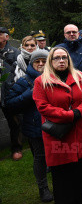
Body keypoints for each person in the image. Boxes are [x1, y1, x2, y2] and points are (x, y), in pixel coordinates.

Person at [32, 47, 82, 203]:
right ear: (51, 61)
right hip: (59, 135)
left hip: (80, 131)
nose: (61, 60)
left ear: (68, 60)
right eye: (57, 58)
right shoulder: (41, 81)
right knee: (62, 176)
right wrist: (68, 115)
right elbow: (42, 106)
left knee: (80, 171)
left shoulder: (79, 76)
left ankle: (81, 198)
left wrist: (80, 111)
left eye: (64, 58)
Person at [5, 50, 53, 202]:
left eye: (44, 61)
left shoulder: (55, 77)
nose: (40, 64)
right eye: (36, 61)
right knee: (39, 158)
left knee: (57, 155)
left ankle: (60, 183)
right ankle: (43, 188)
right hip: (35, 127)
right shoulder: (25, 81)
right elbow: (9, 104)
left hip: (56, 125)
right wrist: (30, 93)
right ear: (31, 63)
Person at [0, 26, 22, 161]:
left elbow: (19, 74)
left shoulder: (15, 53)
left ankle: (17, 148)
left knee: (14, 122)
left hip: (9, 94)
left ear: (6, 37)